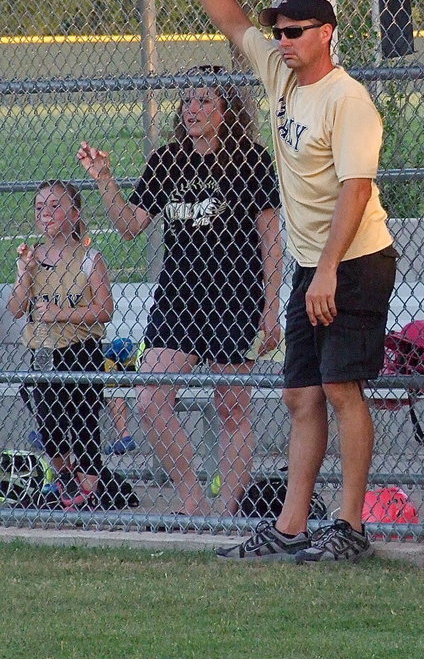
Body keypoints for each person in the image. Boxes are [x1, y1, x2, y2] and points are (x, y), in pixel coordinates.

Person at [160, 0, 398, 562]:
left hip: (354, 261)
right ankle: (291, 528)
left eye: (295, 31)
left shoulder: (348, 100)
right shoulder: (282, 77)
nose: (282, 40)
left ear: (326, 33)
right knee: (298, 392)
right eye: (280, 32)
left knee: (341, 388)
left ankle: (348, 528)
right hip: (309, 264)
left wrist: (324, 271)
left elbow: (357, 191)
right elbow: (232, 20)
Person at [77, 68, 282, 517]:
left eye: (205, 101)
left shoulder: (252, 160)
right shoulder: (167, 160)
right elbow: (130, 226)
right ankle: (192, 500)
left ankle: (227, 511)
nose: (192, 109)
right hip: (179, 297)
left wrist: (271, 309)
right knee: (150, 399)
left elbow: (271, 239)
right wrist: (104, 178)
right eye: (187, 100)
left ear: (226, 110)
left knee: (232, 407)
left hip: (236, 295)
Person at [7, 180, 114, 509]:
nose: (46, 212)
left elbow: (105, 310)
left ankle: (89, 492)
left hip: (80, 350)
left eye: (55, 205)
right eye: (40, 207)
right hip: (42, 354)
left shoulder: (88, 259)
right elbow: (16, 308)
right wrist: (25, 274)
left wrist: (61, 314)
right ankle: (70, 482)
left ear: (75, 213)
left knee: (83, 423)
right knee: (49, 422)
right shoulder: (32, 257)